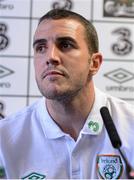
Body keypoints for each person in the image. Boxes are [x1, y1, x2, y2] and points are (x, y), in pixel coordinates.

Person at [0, 9, 134, 179]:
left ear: (94, 63)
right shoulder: (4, 140)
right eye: (41, 47)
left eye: (65, 45)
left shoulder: (130, 126)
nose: (51, 57)